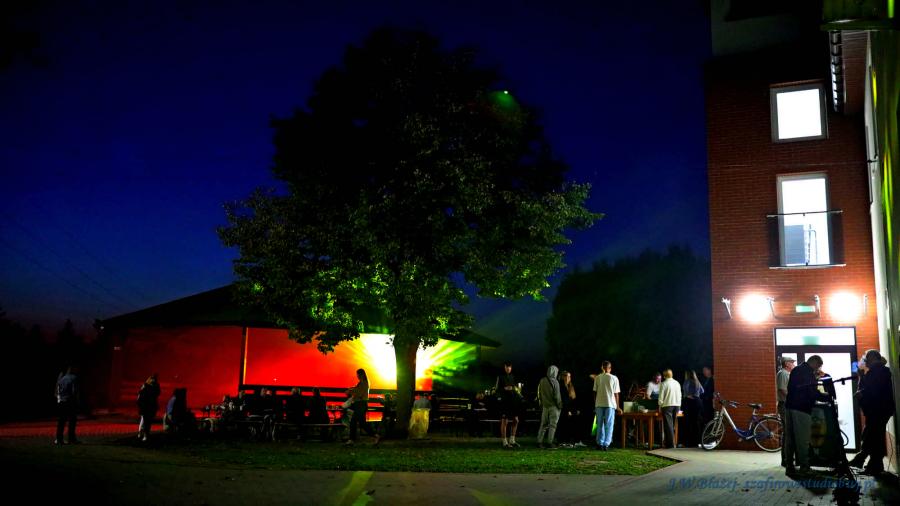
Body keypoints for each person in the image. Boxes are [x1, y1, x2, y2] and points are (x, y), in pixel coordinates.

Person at [850, 350, 895, 475]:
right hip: (878, 410)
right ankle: (871, 463)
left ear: (873, 358)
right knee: (873, 436)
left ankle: (867, 462)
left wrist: (861, 392)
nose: (865, 361)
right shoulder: (879, 371)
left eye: (866, 359)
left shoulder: (880, 371)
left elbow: (873, 390)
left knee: (872, 436)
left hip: (878, 410)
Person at [784, 355, 829, 476]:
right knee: (802, 440)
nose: (818, 368)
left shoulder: (796, 370)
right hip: (802, 408)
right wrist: (825, 396)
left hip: (789, 407)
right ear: (814, 362)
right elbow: (811, 391)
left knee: (790, 439)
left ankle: (789, 467)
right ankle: (804, 467)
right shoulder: (808, 372)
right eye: (818, 366)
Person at [592, 361, 621, 451]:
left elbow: (594, 392)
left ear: (602, 367)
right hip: (610, 404)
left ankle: (600, 443)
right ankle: (606, 444)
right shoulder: (614, 378)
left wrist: (595, 404)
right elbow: (616, 394)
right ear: (610, 368)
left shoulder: (597, 378)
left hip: (599, 404)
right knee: (609, 424)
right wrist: (618, 406)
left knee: (599, 424)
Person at [494, 362, 522, 448]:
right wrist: (504, 389)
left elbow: (516, 388)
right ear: (504, 367)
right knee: (505, 421)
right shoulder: (500, 377)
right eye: (507, 367)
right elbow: (496, 390)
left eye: (509, 367)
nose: (508, 368)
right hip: (505, 402)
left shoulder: (513, 376)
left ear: (511, 368)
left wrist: (516, 389)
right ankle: (504, 442)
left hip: (513, 402)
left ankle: (512, 440)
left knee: (516, 420)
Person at [345, 369, 375, 444]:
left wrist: (350, 391)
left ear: (361, 374)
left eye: (358, 374)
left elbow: (359, 393)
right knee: (354, 421)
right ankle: (352, 439)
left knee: (361, 423)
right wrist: (351, 389)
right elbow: (357, 389)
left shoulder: (364, 383)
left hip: (361, 404)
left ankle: (375, 435)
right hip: (360, 404)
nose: (357, 376)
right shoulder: (363, 383)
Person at [775, 357, 795, 466]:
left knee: (789, 432)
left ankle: (789, 458)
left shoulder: (787, 374)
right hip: (784, 405)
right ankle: (786, 460)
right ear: (786, 363)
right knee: (787, 433)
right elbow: (782, 389)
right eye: (792, 362)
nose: (793, 364)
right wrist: (793, 399)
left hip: (787, 405)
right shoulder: (782, 373)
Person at [536, 365, 562, 448]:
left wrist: (542, 403)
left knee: (543, 425)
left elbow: (539, 393)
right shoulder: (555, 382)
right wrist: (560, 406)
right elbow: (557, 396)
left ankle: (539, 441)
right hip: (553, 407)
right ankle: (550, 442)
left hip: (545, 406)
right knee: (552, 425)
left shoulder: (542, 380)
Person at [55, 366, 79, 445]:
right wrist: (76, 401)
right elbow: (74, 391)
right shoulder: (73, 378)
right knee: (72, 421)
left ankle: (59, 439)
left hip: (62, 401)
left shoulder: (61, 379)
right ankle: (71, 439)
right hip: (70, 401)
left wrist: (59, 400)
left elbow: (57, 392)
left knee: (61, 421)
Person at [556, 370, 581, 447]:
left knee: (572, 425)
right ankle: (562, 441)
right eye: (567, 376)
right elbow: (563, 400)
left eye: (569, 376)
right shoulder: (560, 386)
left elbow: (573, 399)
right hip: (564, 409)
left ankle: (572, 441)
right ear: (563, 377)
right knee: (563, 425)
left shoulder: (570, 386)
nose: (568, 378)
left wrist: (575, 409)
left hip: (571, 408)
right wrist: (568, 410)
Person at [658, 369, 681, 449]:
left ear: (664, 375)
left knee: (668, 426)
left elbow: (661, 397)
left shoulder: (664, 384)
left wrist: (660, 406)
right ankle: (669, 443)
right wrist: (679, 405)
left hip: (667, 406)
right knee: (672, 425)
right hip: (677, 405)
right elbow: (680, 395)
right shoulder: (677, 383)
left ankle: (670, 445)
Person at [681, 370, 704, 448]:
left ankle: (689, 442)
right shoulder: (697, 381)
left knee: (688, 422)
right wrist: (696, 395)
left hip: (689, 402)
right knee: (697, 422)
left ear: (687, 374)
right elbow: (702, 391)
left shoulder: (687, 381)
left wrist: (689, 395)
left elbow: (685, 390)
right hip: (698, 402)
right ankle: (697, 441)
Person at [137, 373, 161, 442]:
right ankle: (143, 434)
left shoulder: (149, 386)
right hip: (147, 406)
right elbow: (141, 396)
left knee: (145, 421)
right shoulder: (148, 386)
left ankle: (143, 434)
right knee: (146, 421)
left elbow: (140, 396)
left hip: (148, 406)